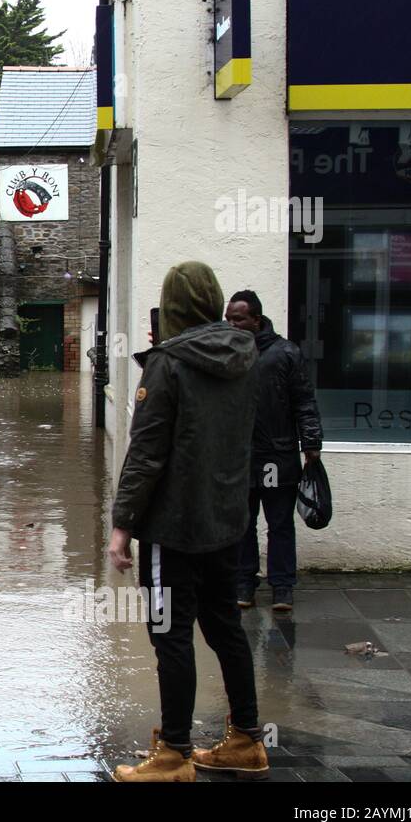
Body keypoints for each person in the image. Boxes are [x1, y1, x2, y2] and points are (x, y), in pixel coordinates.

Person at [107, 261, 268, 782]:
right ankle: (246, 739)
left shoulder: (168, 364)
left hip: (172, 529)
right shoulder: (246, 356)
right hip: (226, 523)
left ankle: (174, 754)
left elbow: (146, 454)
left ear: (173, 305)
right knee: (225, 627)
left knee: (169, 634)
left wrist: (122, 526)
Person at [224, 290, 323, 613]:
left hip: (278, 456)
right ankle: (244, 583)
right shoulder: (226, 353)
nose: (232, 325)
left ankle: (282, 587)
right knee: (243, 524)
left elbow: (304, 401)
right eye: (228, 319)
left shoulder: (286, 353)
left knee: (280, 523)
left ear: (256, 318)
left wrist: (311, 445)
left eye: (238, 319)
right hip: (240, 457)